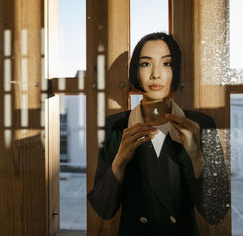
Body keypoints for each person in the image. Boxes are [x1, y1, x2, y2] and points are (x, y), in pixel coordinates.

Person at [87, 32, 230, 235]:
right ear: (135, 71)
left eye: (167, 63)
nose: (156, 74)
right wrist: (119, 163)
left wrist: (196, 156)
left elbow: (216, 211)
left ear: (178, 71)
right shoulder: (115, 126)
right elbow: (103, 210)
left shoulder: (201, 125)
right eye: (145, 64)